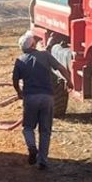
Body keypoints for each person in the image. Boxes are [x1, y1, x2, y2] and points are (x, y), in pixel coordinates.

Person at [13, 32, 62, 170]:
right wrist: (69, 81)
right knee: (45, 131)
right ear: (33, 44)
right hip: (47, 98)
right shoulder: (45, 55)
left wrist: (19, 93)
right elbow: (61, 68)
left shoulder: (20, 61)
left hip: (30, 98)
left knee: (28, 127)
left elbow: (15, 81)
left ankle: (32, 147)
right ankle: (43, 161)